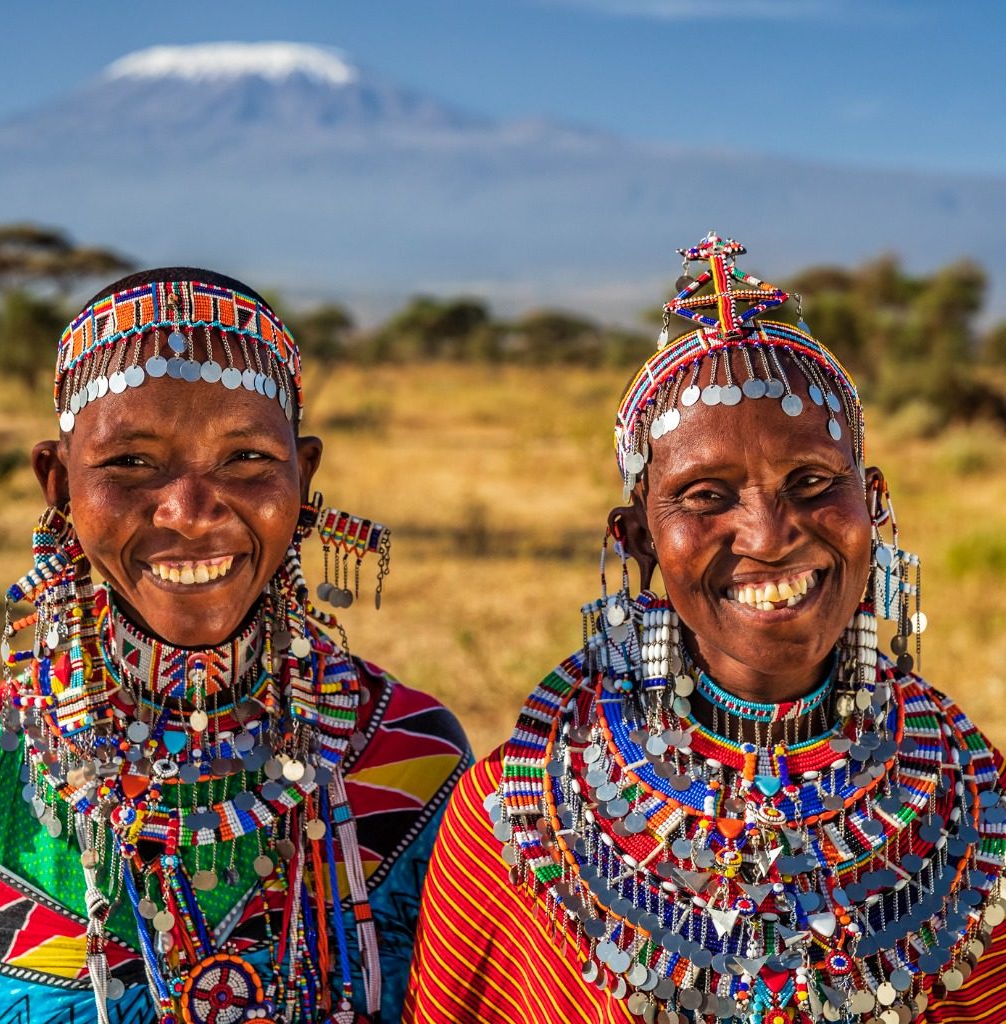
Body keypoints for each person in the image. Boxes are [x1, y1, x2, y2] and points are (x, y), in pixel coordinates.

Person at [404, 235, 1006, 1024]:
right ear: (639, 540)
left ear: (875, 503)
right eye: (706, 495)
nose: (768, 533)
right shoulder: (514, 824)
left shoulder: (975, 809)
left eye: (814, 482)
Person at [0, 269, 471, 1024]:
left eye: (245, 459)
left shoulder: (411, 761)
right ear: (58, 484)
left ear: (303, 478)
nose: (189, 512)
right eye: (130, 464)